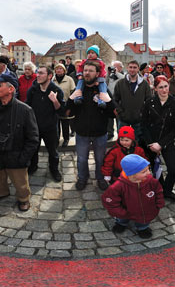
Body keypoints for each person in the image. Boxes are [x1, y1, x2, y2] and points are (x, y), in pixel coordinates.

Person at [0, 72, 39, 212]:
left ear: (11, 89)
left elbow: (33, 138)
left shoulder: (25, 110)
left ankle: (23, 199)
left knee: (20, 182)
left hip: (15, 153)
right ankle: (1, 193)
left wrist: (23, 157)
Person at [67, 61, 117, 191]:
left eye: (90, 71)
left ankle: (100, 178)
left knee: (100, 159)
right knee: (82, 159)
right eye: (85, 70)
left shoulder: (103, 90)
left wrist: (109, 101)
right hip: (82, 133)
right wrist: (71, 99)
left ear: (97, 74)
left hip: (100, 133)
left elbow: (114, 114)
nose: (87, 73)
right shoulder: (78, 90)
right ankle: (82, 178)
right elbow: (68, 112)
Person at [102, 155, 164, 239]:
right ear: (132, 174)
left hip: (146, 210)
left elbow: (158, 191)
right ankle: (121, 223)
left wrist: (159, 203)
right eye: (144, 171)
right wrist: (121, 213)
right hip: (126, 211)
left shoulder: (151, 181)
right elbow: (110, 202)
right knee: (122, 218)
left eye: (148, 169)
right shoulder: (118, 186)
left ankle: (143, 228)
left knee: (144, 220)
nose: (149, 173)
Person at [25, 65, 64, 181]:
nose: (38, 75)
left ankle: (54, 170)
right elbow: (27, 106)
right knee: (33, 150)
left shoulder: (57, 90)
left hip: (50, 127)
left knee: (53, 151)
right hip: (34, 127)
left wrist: (55, 101)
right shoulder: (33, 89)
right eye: (38, 72)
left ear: (49, 76)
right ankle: (33, 167)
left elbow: (62, 111)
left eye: (41, 73)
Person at [140, 76, 174, 201]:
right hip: (151, 142)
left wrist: (161, 144)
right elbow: (143, 124)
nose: (164, 90)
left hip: (167, 141)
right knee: (153, 169)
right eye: (161, 87)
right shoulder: (149, 102)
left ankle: (168, 190)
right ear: (155, 89)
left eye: (166, 86)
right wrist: (150, 143)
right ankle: (159, 189)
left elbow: (174, 129)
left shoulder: (174, 103)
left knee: (173, 169)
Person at [113, 60, 152, 143]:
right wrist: (120, 112)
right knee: (122, 142)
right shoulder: (120, 83)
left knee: (137, 142)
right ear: (127, 68)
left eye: (135, 67)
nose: (132, 69)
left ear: (138, 69)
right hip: (123, 118)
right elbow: (115, 99)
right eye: (130, 67)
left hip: (138, 119)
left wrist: (142, 113)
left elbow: (149, 100)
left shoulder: (144, 84)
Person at [53, 63, 76, 146]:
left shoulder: (69, 79)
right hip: (54, 105)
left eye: (61, 69)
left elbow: (73, 92)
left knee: (65, 123)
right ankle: (57, 139)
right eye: (57, 69)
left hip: (66, 104)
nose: (59, 70)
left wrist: (70, 105)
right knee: (56, 123)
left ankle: (66, 139)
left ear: (64, 70)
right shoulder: (53, 80)